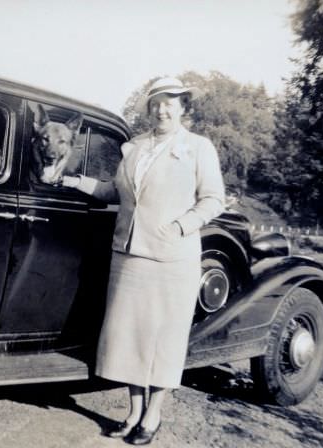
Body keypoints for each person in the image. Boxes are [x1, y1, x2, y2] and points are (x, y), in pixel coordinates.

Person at [61, 77, 225, 445]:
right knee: (130, 337)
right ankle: (133, 411)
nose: (162, 109)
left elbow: (213, 199)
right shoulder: (133, 148)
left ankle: (153, 415)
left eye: (170, 103)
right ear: (149, 109)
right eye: (156, 103)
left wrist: (183, 226)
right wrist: (72, 181)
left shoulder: (198, 148)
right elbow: (113, 191)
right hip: (129, 256)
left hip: (173, 259)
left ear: (183, 107)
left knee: (164, 339)